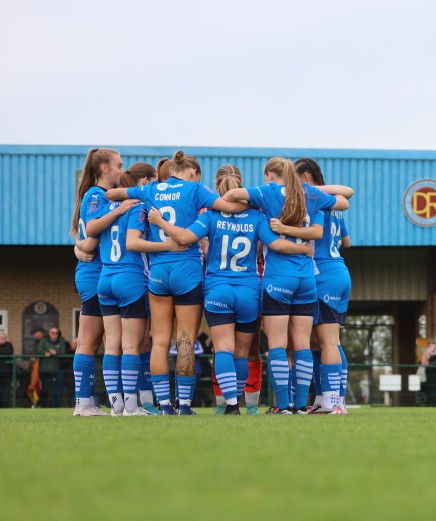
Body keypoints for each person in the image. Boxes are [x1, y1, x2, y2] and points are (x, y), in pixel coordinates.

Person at [150, 164, 312, 415]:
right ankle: (248, 403)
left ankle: (231, 406)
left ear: (218, 188)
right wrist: (304, 248)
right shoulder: (257, 216)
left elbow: (184, 238)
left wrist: (160, 222)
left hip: (218, 288)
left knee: (222, 348)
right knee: (243, 352)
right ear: (241, 187)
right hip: (249, 289)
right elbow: (277, 245)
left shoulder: (209, 215)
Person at [107, 150, 249, 415]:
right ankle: (183, 405)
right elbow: (230, 207)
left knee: (159, 341)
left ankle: (163, 405)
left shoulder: (151, 189)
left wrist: (119, 200)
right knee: (185, 340)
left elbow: (114, 194)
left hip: (159, 272)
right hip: (187, 269)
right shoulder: (196, 189)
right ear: (193, 172)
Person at [221, 157, 350, 414]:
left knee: (278, 344)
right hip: (307, 279)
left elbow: (232, 193)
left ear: (269, 174)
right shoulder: (309, 193)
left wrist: (251, 203)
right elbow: (343, 201)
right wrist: (307, 190)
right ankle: (302, 404)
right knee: (303, 343)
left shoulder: (266, 192)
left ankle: (283, 405)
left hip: (278, 277)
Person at [91, 162, 175, 415]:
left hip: (105, 277)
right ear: (142, 183)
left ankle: (115, 405)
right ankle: (130, 406)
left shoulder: (107, 207)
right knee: (131, 346)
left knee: (112, 344)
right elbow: (135, 242)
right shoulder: (137, 207)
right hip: (130, 278)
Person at [71, 148, 137, 416]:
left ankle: (88, 402)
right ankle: (83, 403)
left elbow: (86, 241)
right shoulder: (96, 195)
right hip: (95, 273)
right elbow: (93, 232)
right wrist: (120, 209)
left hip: (97, 272)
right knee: (89, 341)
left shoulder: (99, 196)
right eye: (118, 165)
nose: (122, 169)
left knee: (97, 342)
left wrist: (78, 247)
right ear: (104, 169)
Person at [292, 157, 355, 414]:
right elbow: (347, 242)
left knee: (326, 341)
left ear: (305, 177)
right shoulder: (334, 203)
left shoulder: (313, 199)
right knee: (329, 341)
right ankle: (330, 399)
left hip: (322, 273)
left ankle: (332, 401)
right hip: (339, 270)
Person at [35, 327, 66, 408]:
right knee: (45, 389)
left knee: (56, 390)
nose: (54, 334)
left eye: (56, 333)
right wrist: (45, 353)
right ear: (49, 333)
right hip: (44, 370)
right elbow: (38, 351)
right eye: (52, 332)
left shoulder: (61, 341)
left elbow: (63, 352)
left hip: (57, 370)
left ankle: (56, 406)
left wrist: (56, 352)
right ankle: (44, 406)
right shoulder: (44, 341)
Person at [419, 337, 436, 407]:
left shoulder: (426, 349)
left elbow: (423, 362)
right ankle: (434, 404)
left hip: (428, 371)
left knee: (429, 387)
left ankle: (428, 404)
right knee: (435, 388)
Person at [0, 332, 12, 408]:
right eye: (1, 338)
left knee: (5, 391)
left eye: (4, 337)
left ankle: (4, 407)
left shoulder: (9, 345)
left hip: (6, 373)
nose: (2, 339)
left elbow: (7, 352)